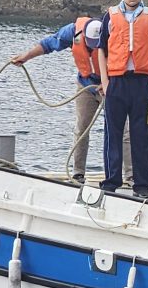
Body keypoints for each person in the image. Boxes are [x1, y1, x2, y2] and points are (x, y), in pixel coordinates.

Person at [9, 16, 132, 184]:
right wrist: (26, 56)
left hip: (112, 86)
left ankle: (131, 175)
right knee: (81, 128)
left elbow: (127, 63)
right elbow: (49, 44)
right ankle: (78, 173)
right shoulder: (73, 31)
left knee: (123, 131)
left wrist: (109, 82)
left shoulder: (115, 35)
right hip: (86, 86)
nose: (94, 46)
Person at [95, 0, 148, 199]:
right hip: (116, 81)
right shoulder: (110, 16)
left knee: (142, 134)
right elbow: (101, 49)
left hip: (141, 82)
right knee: (112, 133)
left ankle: (142, 184)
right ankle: (111, 180)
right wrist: (105, 81)